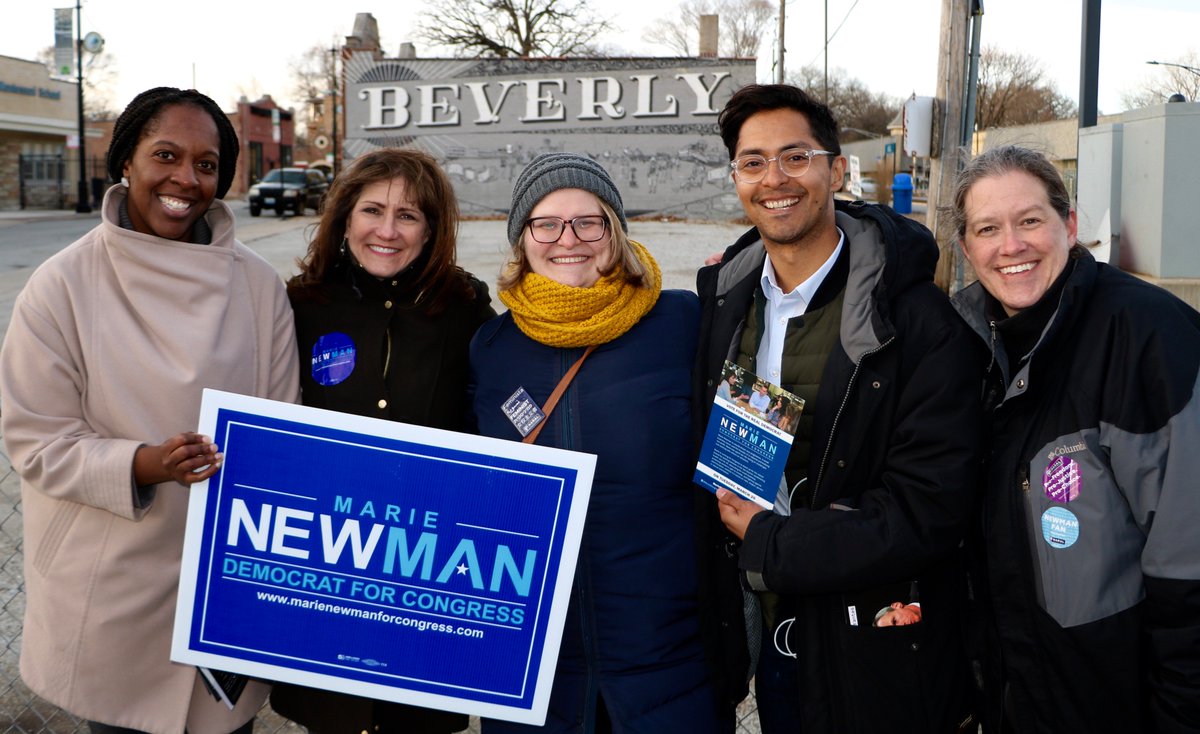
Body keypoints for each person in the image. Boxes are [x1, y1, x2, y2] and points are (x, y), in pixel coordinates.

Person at [0, 87, 300, 734]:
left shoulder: (258, 288)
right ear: (126, 161)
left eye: (207, 164)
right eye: (166, 155)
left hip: (222, 591)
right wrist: (145, 464)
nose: (185, 179)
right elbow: (36, 440)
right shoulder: (60, 286)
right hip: (113, 596)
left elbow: (282, 432)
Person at [693, 83, 983, 733]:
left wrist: (774, 542)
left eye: (796, 157)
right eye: (754, 161)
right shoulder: (724, 307)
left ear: (836, 168)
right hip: (771, 640)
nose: (775, 179)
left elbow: (930, 506)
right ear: (736, 177)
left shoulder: (915, 321)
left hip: (876, 656)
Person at [468, 153, 729, 733]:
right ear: (522, 238)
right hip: (532, 668)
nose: (569, 239)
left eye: (589, 221)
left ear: (615, 231)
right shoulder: (491, 346)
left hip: (666, 661)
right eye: (547, 223)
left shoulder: (683, 322)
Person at [949, 145, 1200, 732]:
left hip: (1118, 703)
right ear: (966, 248)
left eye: (1030, 220)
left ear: (1070, 225)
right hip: (1016, 697)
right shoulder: (966, 344)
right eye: (988, 229)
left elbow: (1189, 569)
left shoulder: (1152, 338)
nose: (1011, 246)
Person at [270, 148, 495, 734]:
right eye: (372, 210)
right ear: (345, 217)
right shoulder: (302, 304)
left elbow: (491, 419)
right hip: (326, 572)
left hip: (425, 577)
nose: (387, 231)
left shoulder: (464, 306)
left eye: (409, 216)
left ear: (433, 229)